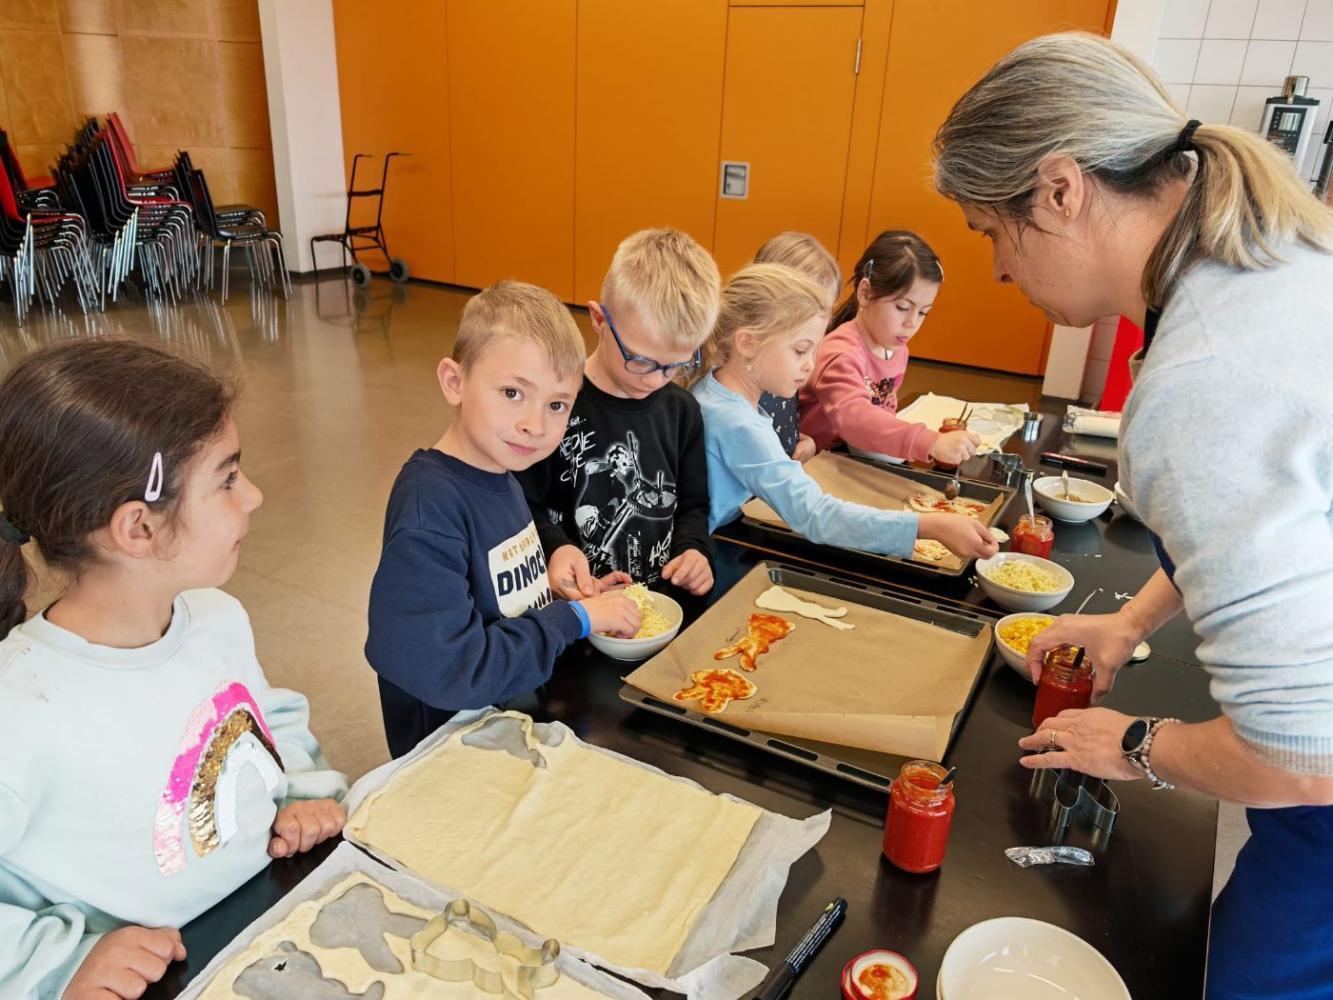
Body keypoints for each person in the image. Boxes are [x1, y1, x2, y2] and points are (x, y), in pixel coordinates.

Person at [932, 31, 1333, 999]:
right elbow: (1276, 525)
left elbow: (1300, 760)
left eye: (989, 232)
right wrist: (1128, 620)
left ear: (1060, 190)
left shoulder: (1203, 377)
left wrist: (1136, 745)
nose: (997, 271)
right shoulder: (1269, 265)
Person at [0, 340, 347, 999]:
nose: (254, 495)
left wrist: (300, 791)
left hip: (269, 932)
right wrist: (58, 962)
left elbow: (260, 723)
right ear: (138, 528)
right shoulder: (19, 710)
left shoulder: (217, 616)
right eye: (227, 479)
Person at [366, 281, 640, 759]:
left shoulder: (502, 472)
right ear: (454, 382)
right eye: (513, 392)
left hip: (510, 723)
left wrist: (555, 591)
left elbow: (493, 596)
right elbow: (457, 669)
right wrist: (573, 619)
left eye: (556, 404)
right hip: (452, 756)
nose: (535, 424)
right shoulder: (429, 509)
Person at [692, 263, 997, 561]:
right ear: (747, 343)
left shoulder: (714, 390)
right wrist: (929, 526)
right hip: (713, 550)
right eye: (800, 350)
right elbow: (815, 515)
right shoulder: (739, 424)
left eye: (813, 351)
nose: (810, 365)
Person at [517, 228, 720, 603]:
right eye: (640, 360)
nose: (655, 379)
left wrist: (695, 550)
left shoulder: (682, 411)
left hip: (658, 606)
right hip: (576, 609)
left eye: (675, 365)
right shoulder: (554, 404)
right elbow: (522, 504)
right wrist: (555, 549)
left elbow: (693, 507)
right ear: (598, 319)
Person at [798, 230, 981, 466]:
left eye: (923, 312)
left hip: (849, 459)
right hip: (811, 464)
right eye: (902, 307)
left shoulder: (896, 350)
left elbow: (884, 409)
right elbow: (855, 420)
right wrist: (929, 441)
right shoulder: (841, 353)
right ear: (865, 293)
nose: (912, 323)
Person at [752, 231, 842, 462]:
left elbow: (778, 425)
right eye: (811, 309)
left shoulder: (789, 362)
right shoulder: (745, 377)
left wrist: (803, 440)